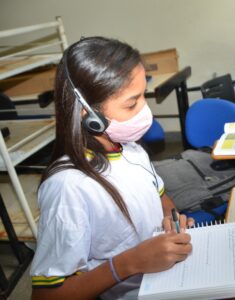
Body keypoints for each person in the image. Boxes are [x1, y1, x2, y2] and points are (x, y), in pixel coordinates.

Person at [30, 37, 194, 300]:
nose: (145, 110)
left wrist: (172, 218)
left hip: (168, 278)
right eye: (132, 103)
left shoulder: (131, 149)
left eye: (143, 96)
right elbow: (47, 296)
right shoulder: (68, 187)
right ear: (88, 114)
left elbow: (162, 199)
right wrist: (130, 263)